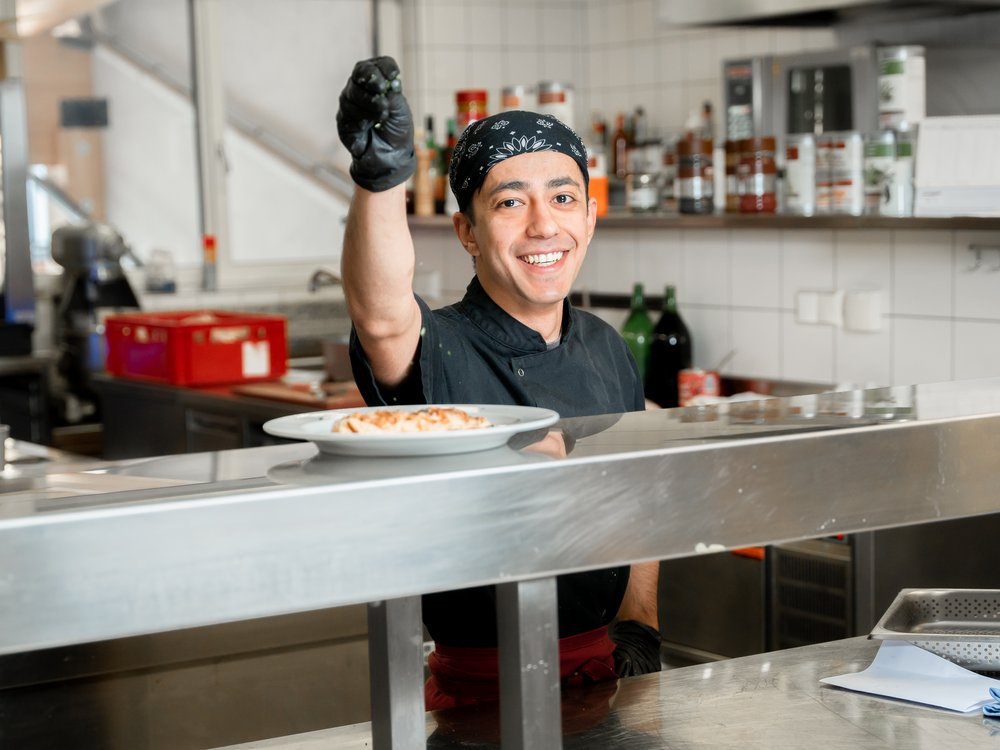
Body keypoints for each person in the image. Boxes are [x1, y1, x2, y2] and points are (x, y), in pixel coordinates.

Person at [336, 56, 661, 710]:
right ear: (468, 233)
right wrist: (380, 181)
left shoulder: (606, 345)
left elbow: (636, 500)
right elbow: (379, 312)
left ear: (589, 221)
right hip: (481, 697)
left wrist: (641, 629)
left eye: (563, 198)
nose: (544, 225)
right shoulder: (441, 347)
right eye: (510, 202)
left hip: (610, 681)